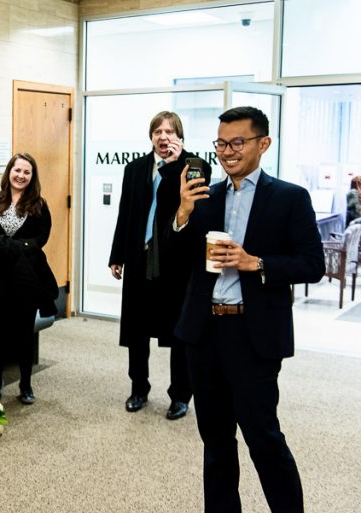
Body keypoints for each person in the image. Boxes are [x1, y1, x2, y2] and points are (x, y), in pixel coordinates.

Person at [172, 106, 324, 512]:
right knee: (216, 442)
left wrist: (255, 263)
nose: (227, 151)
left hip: (253, 336)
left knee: (263, 438)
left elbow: (313, 264)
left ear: (263, 144)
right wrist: (183, 214)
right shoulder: (206, 195)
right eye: (221, 143)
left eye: (237, 142)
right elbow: (178, 261)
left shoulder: (290, 198)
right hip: (204, 332)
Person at [108, 111, 211, 419]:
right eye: (158, 131)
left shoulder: (194, 166)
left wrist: (175, 166)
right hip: (139, 257)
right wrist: (117, 255)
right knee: (137, 329)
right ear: (150, 136)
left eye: (170, 131)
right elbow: (126, 213)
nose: (163, 137)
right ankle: (139, 388)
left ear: (180, 136)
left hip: (176, 262)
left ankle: (180, 395)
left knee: (178, 331)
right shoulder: (135, 168)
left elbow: (195, 210)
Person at [0, 153, 58, 405]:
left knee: (24, 332)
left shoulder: (39, 204)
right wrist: (1, 244)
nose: (21, 176)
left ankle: (26, 385)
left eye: (26, 172)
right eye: (17, 170)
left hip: (26, 277)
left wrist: (21, 246)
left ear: (32, 176)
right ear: (9, 172)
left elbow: (42, 236)